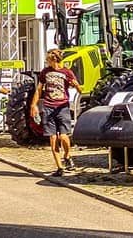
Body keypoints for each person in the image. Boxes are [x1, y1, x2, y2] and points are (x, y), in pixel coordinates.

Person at [30, 49, 81, 177]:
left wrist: (76, 86)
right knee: (52, 139)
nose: (47, 61)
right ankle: (59, 167)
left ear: (54, 59)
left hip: (62, 107)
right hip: (48, 107)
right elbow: (39, 89)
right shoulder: (45, 72)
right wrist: (34, 104)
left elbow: (80, 89)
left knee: (63, 137)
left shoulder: (67, 72)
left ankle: (67, 155)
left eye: (48, 59)